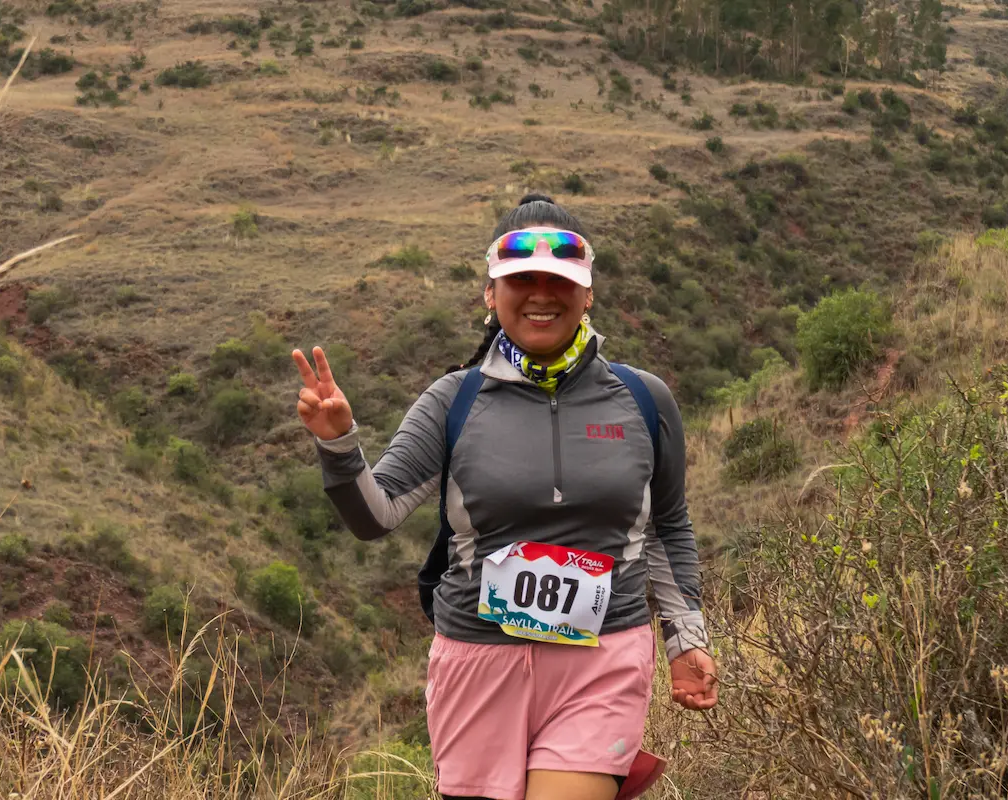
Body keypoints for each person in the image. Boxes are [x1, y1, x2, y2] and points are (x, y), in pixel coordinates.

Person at [293, 194, 717, 800]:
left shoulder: (644, 400)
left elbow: (668, 527)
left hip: (602, 658)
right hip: (478, 660)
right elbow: (375, 515)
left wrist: (687, 640)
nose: (541, 293)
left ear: (587, 292)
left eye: (560, 280)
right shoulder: (453, 401)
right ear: (491, 294)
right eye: (522, 279)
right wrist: (339, 445)